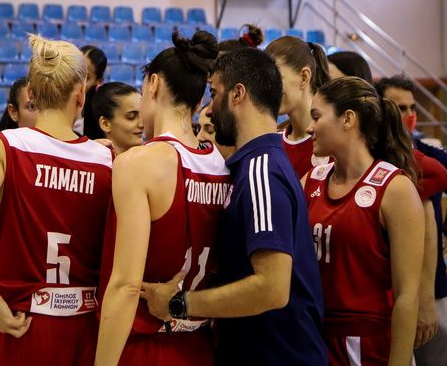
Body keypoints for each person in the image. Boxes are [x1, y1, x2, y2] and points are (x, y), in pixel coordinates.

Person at [139, 47, 327, 365]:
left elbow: (272, 287)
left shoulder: (261, 170)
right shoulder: (254, 164)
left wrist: (180, 303)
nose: (210, 109)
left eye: (214, 94)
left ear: (238, 94)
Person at [0, 34, 113, 365]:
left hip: (23, 325)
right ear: (81, 95)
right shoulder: (107, 159)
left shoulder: (3, 147)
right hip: (88, 327)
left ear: (34, 94)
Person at [96, 30, 231, 365]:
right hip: (201, 345)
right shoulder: (223, 163)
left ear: (153, 84)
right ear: (197, 103)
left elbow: (125, 287)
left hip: (145, 346)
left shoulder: (139, 163)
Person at [304, 76, 424, 365]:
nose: (309, 127)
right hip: (314, 335)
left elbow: (407, 296)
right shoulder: (311, 180)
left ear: (347, 119)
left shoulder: (395, 188)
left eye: (317, 117)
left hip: (368, 344)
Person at [376, 74, 447, 365]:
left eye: (412, 107)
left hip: (431, 291)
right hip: (388, 296)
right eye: (399, 108)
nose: (408, 115)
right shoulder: (373, 158)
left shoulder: (428, 158)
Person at [264, 36, 331, 178]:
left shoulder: (333, 141)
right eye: (265, 80)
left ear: (304, 77)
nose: (268, 88)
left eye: (276, 78)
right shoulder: (272, 142)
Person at [83, 82, 144, 155]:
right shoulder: (93, 160)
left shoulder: (149, 156)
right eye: (131, 116)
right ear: (105, 124)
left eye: (143, 115)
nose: (142, 124)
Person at [76, 45, 107, 135]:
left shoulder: (100, 116)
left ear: (98, 82)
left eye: (86, 77)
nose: (76, 79)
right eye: (74, 71)